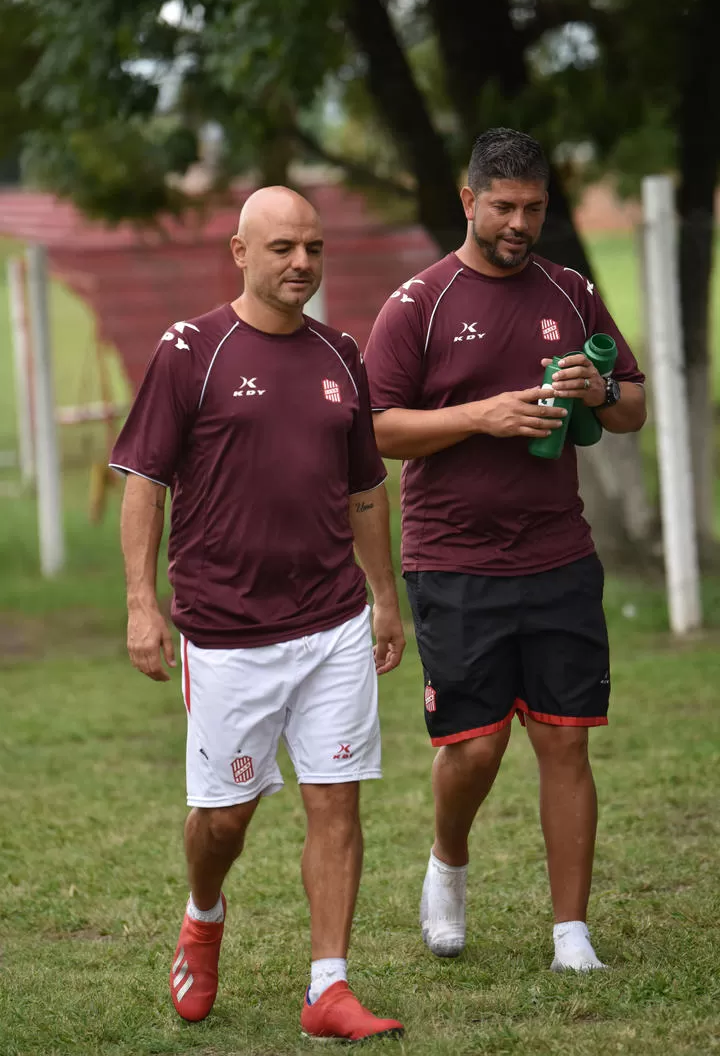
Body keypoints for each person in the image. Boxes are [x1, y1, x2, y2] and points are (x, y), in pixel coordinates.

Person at [109, 186, 405, 1041]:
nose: (301, 264)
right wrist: (141, 606)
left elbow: (364, 492)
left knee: (336, 803)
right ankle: (203, 916)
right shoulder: (189, 350)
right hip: (228, 631)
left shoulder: (342, 353)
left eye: (313, 248)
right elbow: (145, 483)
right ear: (240, 254)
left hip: (334, 622)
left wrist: (384, 597)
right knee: (224, 819)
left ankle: (329, 988)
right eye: (282, 248)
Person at [363, 128, 646, 972]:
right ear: (467, 201)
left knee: (565, 739)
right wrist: (479, 417)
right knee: (476, 745)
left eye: (534, 208)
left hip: (558, 552)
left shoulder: (571, 289)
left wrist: (599, 389)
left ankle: (572, 935)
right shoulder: (419, 303)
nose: (520, 223)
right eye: (504, 207)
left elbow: (629, 407)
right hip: (452, 558)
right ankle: (448, 862)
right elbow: (375, 430)